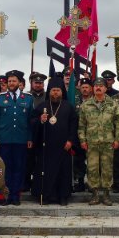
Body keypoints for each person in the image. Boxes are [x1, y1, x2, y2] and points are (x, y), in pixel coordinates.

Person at [0, 70, 34, 206]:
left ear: (19, 82)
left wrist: (30, 138)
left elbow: (30, 121)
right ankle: (7, 195)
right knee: (6, 168)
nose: (11, 83)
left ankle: (16, 195)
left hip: (21, 139)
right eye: (9, 81)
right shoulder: (0, 98)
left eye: (14, 81)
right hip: (4, 140)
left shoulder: (28, 98)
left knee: (19, 168)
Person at [32, 75, 78, 205]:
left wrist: (70, 141)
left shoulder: (69, 107)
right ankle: (46, 196)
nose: (55, 93)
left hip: (64, 146)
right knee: (46, 172)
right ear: (49, 91)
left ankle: (63, 196)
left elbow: (74, 125)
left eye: (58, 90)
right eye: (53, 90)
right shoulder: (42, 106)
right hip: (46, 147)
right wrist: (40, 120)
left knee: (63, 172)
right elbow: (32, 122)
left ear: (62, 92)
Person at [78, 78, 119, 206]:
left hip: (108, 142)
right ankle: (95, 194)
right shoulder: (86, 105)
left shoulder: (113, 104)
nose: (98, 87)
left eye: (101, 86)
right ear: (93, 88)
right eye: (96, 86)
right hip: (91, 142)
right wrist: (82, 140)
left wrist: (117, 139)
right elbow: (81, 125)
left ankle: (107, 194)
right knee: (92, 168)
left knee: (107, 168)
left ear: (105, 88)